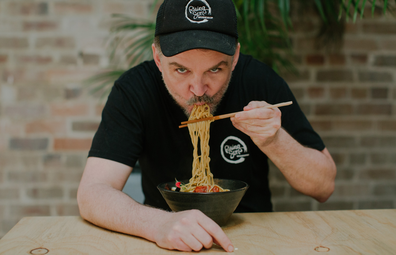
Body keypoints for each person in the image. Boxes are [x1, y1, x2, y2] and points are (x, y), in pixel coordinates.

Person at [77, 0, 337, 252]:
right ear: (158, 58)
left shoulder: (259, 81)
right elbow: (92, 193)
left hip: (254, 237)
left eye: (215, 70)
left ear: (234, 57)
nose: (199, 90)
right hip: (166, 239)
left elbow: (323, 186)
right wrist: (158, 223)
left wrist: (274, 140)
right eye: (181, 70)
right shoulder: (135, 90)